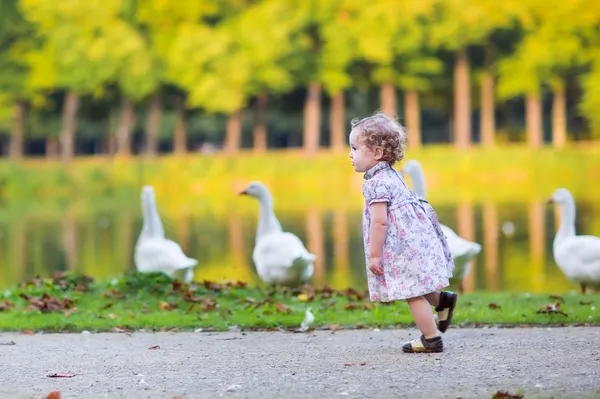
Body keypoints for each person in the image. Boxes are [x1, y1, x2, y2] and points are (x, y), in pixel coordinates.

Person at [349, 111, 457, 353]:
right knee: (417, 282)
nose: (350, 154)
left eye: (355, 148)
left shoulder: (375, 184)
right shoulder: (393, 175)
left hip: (402, 245)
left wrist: (375, 255)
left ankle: (431, 338)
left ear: (376, 153)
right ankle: (442, 301)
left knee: (411, 292)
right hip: (415, 239)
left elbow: (380, 223)